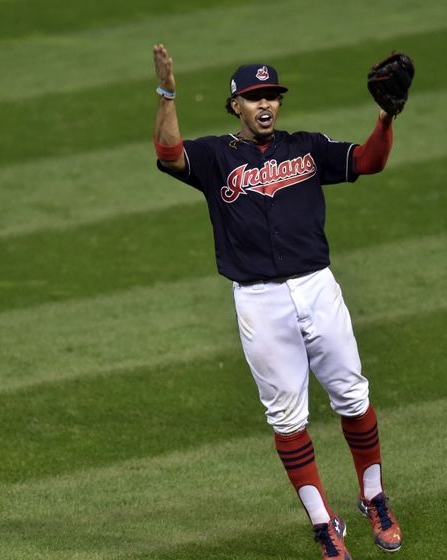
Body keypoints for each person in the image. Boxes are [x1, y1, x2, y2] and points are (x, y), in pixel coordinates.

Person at [152, 44, 403, 559]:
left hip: (317, 286)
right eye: (253, 97)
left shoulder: (307, 148)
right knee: (287, 419)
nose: (265, 104)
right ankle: (321, 524)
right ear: (235, 107)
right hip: (259, 302)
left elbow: (369, 161)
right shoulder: (216, 157)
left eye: (272, 96)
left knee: (353, 397)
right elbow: (168, 153)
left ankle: (374, 498)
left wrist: (386, 116)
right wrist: (168, 93)